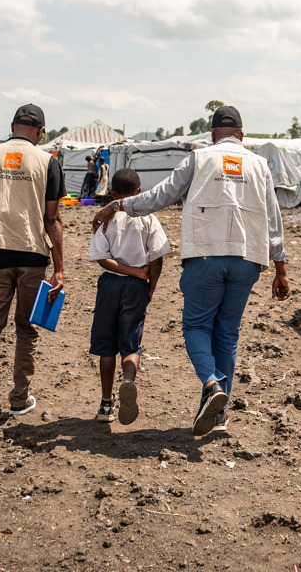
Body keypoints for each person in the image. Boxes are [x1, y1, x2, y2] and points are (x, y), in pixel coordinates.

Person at [90, 105, 289, 436]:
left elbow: (160, 196)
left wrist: (118, 204)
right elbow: (273, 220)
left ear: (213, 135)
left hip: (206, 258)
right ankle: (219, 413)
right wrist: (280, 268)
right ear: (241, 134)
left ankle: (211, 386)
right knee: (227, 333)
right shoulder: (259, 166)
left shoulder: (199, 158)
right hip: (247, 261)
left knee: (197, 326)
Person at [0, 104, 66, 425]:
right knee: (26, 328)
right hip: (34, 257)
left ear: (11, 126)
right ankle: (19, 399)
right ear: (41, 132)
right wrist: (59, 268)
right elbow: (53, 220)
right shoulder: (48, 162)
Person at [88, 168, 172, 426]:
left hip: (110, 286)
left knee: (106, 347)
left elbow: (102, 258)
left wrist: (130, 272)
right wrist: (148, 284)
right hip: (137, 288)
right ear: (139, 193)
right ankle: (128, 381)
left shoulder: (104, 220)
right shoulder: (148, 218)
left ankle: (105, 404)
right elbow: (157, 257)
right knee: (131, 345)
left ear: (112, 193)